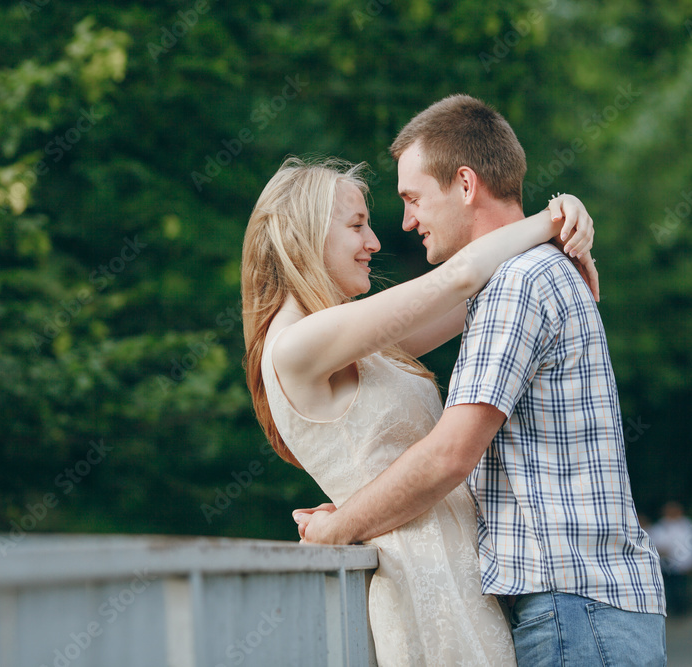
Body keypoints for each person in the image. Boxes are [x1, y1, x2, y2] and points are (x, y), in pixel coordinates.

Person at [295, 95, 667, 665]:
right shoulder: (531, 271)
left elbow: (449, 456)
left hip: (574, 611)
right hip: (591, 607)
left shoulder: (518, 284)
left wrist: (339, 526)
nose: (406, 221)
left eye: (413, 198)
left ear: (465, 185)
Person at [241, 154, 597, 665]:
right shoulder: (297, 344)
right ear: (305, 233)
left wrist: (563, 219)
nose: (374, 244)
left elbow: (477, 294)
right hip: (422, 583)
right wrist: (550, 220)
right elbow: (458, 279)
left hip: (459, 576)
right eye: (357, 225)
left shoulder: (352, 342)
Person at [649, 501, 692, 616]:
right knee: (668, 589)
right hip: (665, 564)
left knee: (682, 589)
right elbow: (654, 543)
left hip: (683, 565)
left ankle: (681, 611)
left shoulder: (687, 525)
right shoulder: (660, 526)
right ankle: (670, 610)